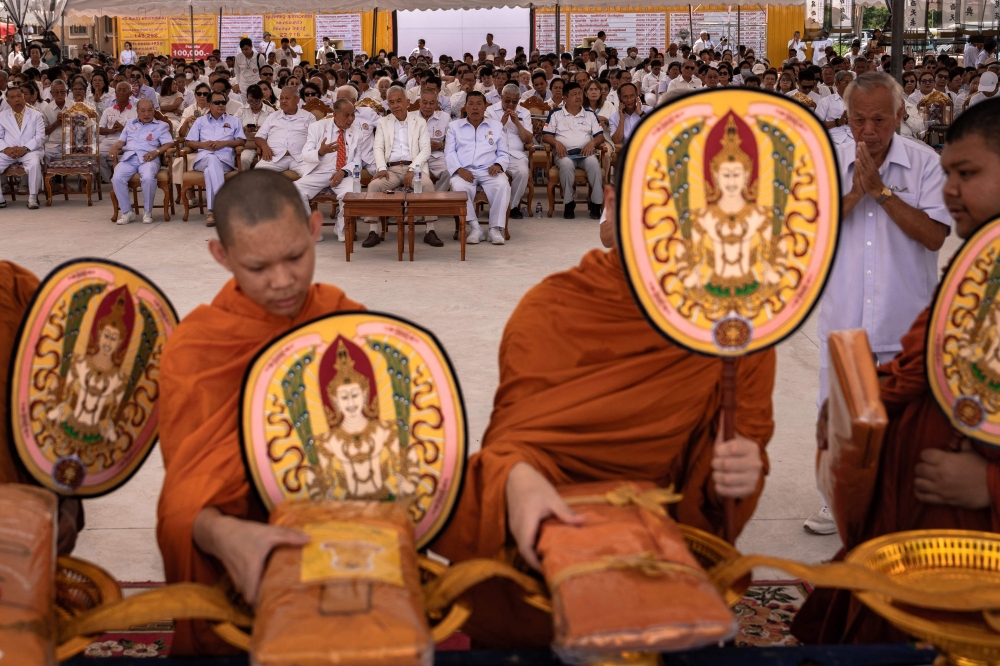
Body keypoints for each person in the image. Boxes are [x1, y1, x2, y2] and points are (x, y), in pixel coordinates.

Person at [432, 178, 775, 647]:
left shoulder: (732, 329)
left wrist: (738, 469)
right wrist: (518, 481)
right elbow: (511, 446)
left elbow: (724, 483)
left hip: (661, 559)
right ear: (611, 205)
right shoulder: (551, 309)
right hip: (541, 553)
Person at [794, 98, 1000, 644]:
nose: (952, 189)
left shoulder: (920, 168)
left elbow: (931, 235)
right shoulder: (979, 265)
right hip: (919, 516)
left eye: (968, 174)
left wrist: (989, 484)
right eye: (951, 174)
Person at [156, 170, 363, 656]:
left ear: (315, 228)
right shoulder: (198, 346)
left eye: (296, 256)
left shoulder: (343, 318)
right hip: (239, 540)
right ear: (221, 256)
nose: (283, 280)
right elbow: (185, 498)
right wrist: (225, 534)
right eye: (257, 267)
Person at [805, 72, 950, 535]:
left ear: (900, 115)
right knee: (840, 420)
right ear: (845, 116)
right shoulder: (825, 157)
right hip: (845, 316)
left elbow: (934, 236)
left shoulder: (926, 163)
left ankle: (898, 510)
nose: (868, 130)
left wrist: (883, 194)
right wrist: (855, 194)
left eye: (879, 119)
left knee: (904, 427)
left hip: (903, 320)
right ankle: (840, 503)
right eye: (858, 119)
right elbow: (807, 231)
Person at [368, 87, 432, 248]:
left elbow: (426, 149)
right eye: (391, 102)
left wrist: (412, 169)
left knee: (428, 185)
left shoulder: (419, 122)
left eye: (399, 101)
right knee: (373, 186)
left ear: (407, 102)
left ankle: (430, 230)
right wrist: (381, 167)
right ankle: (373, 231)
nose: (395, 105)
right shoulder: (383, 122)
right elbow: (378, 148)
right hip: (391, 170)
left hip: (414, 168)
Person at [446, 90, 510, 245]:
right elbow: (449, 152)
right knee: (458, 186)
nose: (475, 107)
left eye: (479, 104)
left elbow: (503, 152)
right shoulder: (454, 126)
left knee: (503, 185)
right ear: (465, 106)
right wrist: (459, 170)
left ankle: (495, 229)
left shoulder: (496, 126)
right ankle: (475, 228)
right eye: (471, 104)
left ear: (485, 106)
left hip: (490, 170)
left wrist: (498, 165)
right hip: (464, 171)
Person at [294, 99, 362, 242]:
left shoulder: (357, 131)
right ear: (335, 115)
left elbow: (357, 160)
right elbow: (305, 154)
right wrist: (320, 151)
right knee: (295, 190)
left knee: (351, 193)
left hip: (343, 174)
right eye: (346, 115)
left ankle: (341, 227)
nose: (351, 119)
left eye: (353, 115)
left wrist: (343, 172)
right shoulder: (317, 127)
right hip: (320, 171)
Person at [544, 81, 605, 220]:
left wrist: (592, 144)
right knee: (566, 165)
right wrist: (557, 143)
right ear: (565, 97)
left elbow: (600, 136)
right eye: (574, 94)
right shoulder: (555, 114)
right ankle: (569, 203)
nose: (578, 97)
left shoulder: (590, 114)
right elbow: (546, 136)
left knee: (595, 165)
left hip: (585, 153)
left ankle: (596, 205)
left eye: (580, 94)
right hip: (564, 154)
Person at [185, 91, 247, 227]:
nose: (221, 105)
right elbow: (189, 142)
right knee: (212, 161)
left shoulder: (233, 120)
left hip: (225, 160)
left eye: (223, 102)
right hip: (204, 158)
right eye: (217, 102)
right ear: (209, 105)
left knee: (210, 171)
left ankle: (212, 211)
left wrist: (223, 143)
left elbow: (241, 141)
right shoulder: (200, 121)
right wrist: (203, 145)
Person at [109, 98, 174, 225]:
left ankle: (147, 211)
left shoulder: (161, 125)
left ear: (154, 111)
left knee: (149, 178)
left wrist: (156, 152)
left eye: (150, 110)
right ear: (137, 112)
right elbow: (122, 141)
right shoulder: (129, 124)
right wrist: (115, 146)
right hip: (129, 158)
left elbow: (169, 143)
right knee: (116, 178)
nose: (146, 114)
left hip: (148, 158)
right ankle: (128, 212)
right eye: (143, 111)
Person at [485, 83, 533, 220]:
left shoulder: (524, 112)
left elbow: (528, 138)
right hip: (494, 153)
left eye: (514, 101)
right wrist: (501, 123)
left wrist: (517, 122)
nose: (511, 104)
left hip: (516, 154)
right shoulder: (490, 111)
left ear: (519, 99)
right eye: (507, 101)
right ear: (501, 97)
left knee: (523, 172)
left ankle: (511, 206)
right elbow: (487, 136)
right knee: (493, 176)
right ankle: (496, 206)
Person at [0, 86, 44, 209]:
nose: (17, 100)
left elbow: (40, 137)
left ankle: (33, 198)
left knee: (34, 163)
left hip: (30, 151)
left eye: (19, 96)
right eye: (12, 97)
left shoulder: (37, 115)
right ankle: (0, 199)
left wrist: (24, 149)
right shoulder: (2, 116)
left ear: (24, 97)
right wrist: (6, 149)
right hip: (9, 151)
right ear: (8, 101)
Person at [252, 86, 314, 173]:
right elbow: (259, 137)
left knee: (313, 175)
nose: (283, 101)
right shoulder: (273, 116)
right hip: (274, 158)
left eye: (287, 98)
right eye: (281, 98)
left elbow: (315, 138)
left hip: (300, 158)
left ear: (297, 100)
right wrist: (264, 147)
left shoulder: (308, 117)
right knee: (258, 174)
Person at [234, 85, 273, 170]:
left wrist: (262, 130)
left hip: (266, 144)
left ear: (262, 98)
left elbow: (275, 131)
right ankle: (244, 182)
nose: (253, 104)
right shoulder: (242, 110)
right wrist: (244, 129)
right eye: (250, 101)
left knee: (268, 163)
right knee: (243, 159)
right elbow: (234, 128)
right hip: (249, 144)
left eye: (256, 101)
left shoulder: (270, 111)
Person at [41, 79, 69, 163]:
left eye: (62, 91)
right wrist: (57, 122)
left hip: (71, 143)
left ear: (66, 92)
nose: (59, 94)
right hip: (53, 144)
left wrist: (68, 119)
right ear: (51, 93)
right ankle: (49, 176)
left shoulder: (73, 106)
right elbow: (44, 131)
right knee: (42, 156)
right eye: (56, 92)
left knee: (81, 155)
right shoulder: (47, 109)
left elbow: (81, 126)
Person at [233, 38, 267, 104]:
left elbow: (263, 72)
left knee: (256, 103)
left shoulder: (260, 57)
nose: (244, 51)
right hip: (243, 86)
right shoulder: (238, 57)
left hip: (256, 84)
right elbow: (237, 72)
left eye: (246, 49)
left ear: (251, 47)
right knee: (245, 105)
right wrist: (238, 84)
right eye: (242, 49)